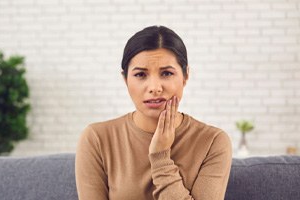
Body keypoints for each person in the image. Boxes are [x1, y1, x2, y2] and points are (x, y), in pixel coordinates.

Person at [75, 25, 232, 200]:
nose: (155, 88)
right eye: (141, 75)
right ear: (125, 79)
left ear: (186, 75)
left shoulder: (213, 142)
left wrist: (161, 159)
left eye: (166, 73)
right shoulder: (97, 138)